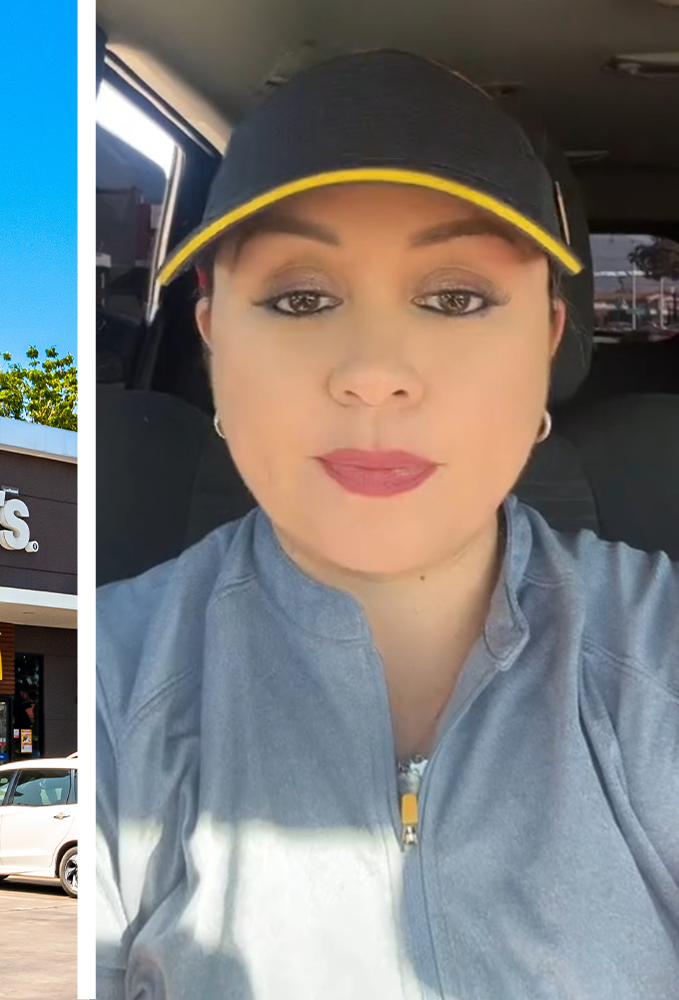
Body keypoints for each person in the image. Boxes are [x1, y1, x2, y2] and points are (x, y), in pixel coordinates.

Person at [91, 51, 679, 999]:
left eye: (455, 298)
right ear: (213, 340)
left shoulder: (658, 658)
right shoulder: (110, 692)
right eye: (300, 297)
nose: (373, 371)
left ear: (548, 340)